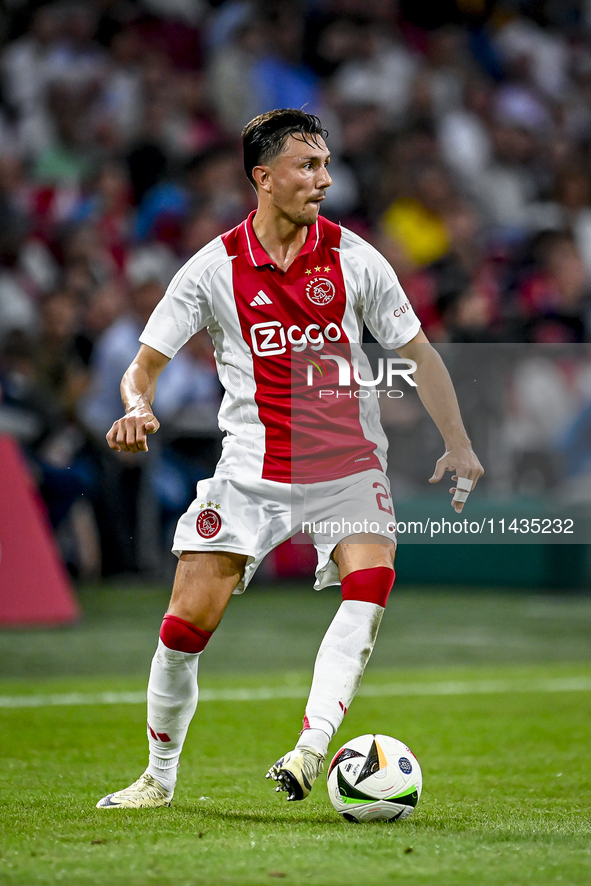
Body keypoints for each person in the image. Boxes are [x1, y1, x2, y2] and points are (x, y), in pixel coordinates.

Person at [96, 109, 483, 809]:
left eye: (327, 165)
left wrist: (457, 442)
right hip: (251, 470)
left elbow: (419, 357)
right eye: (307, 166)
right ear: (262, 177)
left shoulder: (357, 259)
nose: (324, 179)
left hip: (346, 466)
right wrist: (135, 405)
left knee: (368, 591)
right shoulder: (211, 270)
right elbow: (142, 365)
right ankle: (158, 777)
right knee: (184, 630)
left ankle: (310, 749)